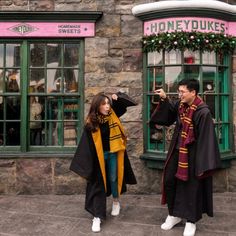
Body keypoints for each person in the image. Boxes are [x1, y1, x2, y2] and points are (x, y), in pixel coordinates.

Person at [150, 79, 221, 236]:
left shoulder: (203, 112)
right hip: (177, 150)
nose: (179, 94)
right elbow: (169, 110)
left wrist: (202, 164)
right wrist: (164, 97)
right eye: (179, 91)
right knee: (169, 181)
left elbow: (207, 139)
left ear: (193, 92)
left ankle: (191, 221)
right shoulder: (181, 106)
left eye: (182, 92)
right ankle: (174, 214)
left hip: (194, 154)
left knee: (191, 188)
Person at [70, 92, 137, 233]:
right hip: (99, 157)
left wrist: (116, 97)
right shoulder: (91, 123)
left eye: (108, 104)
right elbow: (86, 145)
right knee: (99, 184)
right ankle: (97, 217)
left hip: (113, 153)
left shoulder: (113, 115)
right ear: (97, 106)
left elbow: (128, 102)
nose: (107, 106)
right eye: (104, 104)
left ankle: (116, 201)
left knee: (113, 178)